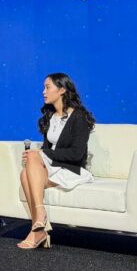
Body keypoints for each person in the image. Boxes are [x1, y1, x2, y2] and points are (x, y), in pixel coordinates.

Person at [18, 73, 96, 249]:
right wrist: (37, 156)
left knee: (31, 161)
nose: (43, 91)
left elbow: (76, 154)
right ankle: (39, 228)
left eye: (47, 87)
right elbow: (48, 150)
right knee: (25, 173)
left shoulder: (79, 117)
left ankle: (38, 223)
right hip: (54, 167)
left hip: (71, 169)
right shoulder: (50, 117)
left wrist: (42, 154)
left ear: (61, 90)